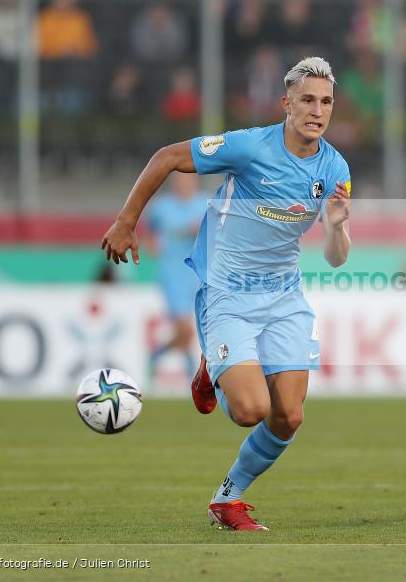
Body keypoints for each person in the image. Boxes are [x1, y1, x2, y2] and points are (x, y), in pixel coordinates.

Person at [101, 57, 352, 531]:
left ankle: (227, 498)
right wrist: (126, 221)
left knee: (289, 416)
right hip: (228, 293)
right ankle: (211, 365)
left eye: (326, 102)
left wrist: (337, 229)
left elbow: (337, 257)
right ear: (287, 104)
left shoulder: (335, 167)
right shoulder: (249, 146)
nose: (317, 110)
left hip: (283, 297)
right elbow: (167, 157)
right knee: (250, 410)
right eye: (307, 100)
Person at [144, 171, 208, 379]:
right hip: (172, 274)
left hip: (199, 274)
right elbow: (150, 230)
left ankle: (160, 356)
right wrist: (152, 244)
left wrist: (201, 230)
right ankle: (191, 375)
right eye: (180, 179)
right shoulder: (162, 207)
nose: (184, 183)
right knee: (185, 330)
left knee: (192, 333)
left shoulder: (205, 204)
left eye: (188, 179)